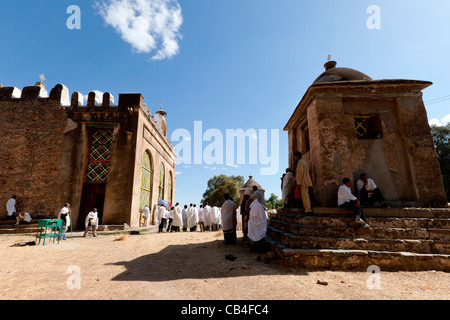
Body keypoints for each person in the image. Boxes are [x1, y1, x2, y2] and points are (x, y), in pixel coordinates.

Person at [294, 151, 313, 216]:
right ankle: (306, 209)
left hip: (303, 182)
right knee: (305, 196)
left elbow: (300, 173)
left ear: (296, 156)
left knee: (305, 196)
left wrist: (298, 183)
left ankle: (308, 210)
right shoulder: (304, 162)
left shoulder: (300, 162)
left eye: (295, 156)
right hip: (305, 181)